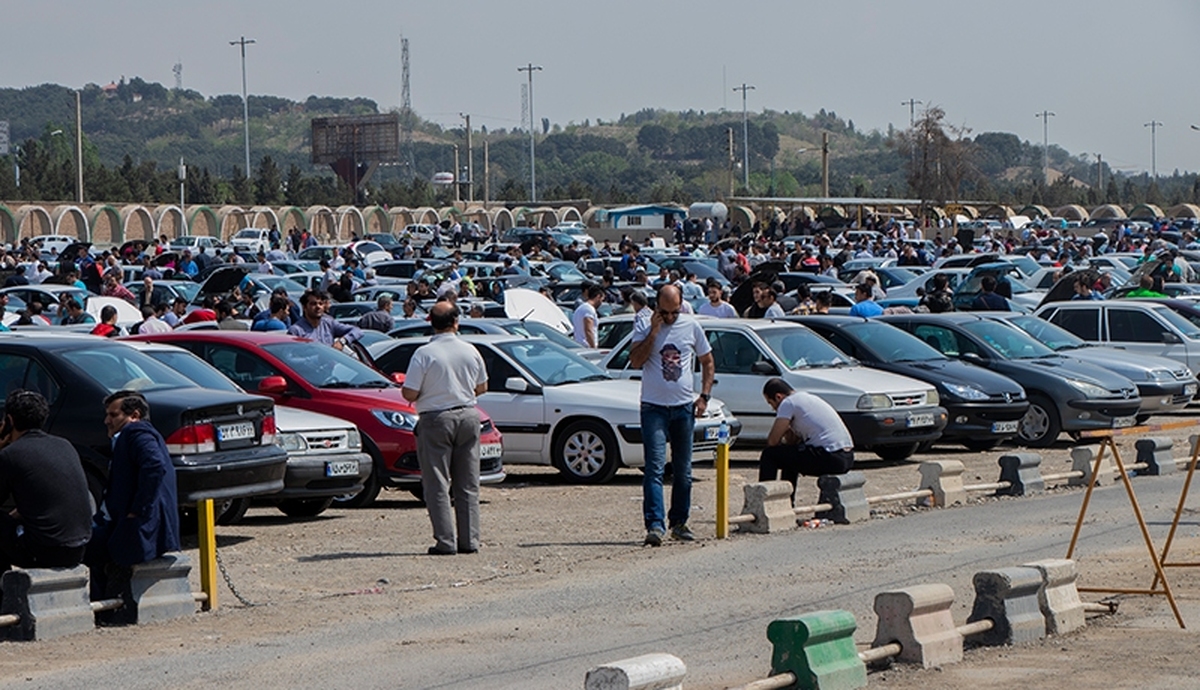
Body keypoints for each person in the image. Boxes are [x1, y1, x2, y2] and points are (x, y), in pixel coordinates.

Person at [628, 285, 715, 546]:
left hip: (683, 408)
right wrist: (654, 332)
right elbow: (635, 361)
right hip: (654, 407)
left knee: (683, 470)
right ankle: (655, 524)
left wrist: (704, 395)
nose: (669, 318)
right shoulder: (644, 326)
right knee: (654, 468)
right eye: (664, 313)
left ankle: (679, 521)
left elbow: (708, 361)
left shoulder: (691, 326)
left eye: (674, 313)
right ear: (656, 307)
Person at [401, 303, 488, 556]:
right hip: (469, 414)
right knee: (468, 482)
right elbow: (482, 387)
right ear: (456, 322)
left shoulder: (424, 353)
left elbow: (410, 392)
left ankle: (445, 541)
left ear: (431, 323)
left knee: (437, 482)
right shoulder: (470, 350)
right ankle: (470, 540)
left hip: (436, 417)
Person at [85, 391, 181, 614]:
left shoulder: (137, 433)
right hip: (126, 523)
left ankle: (106, 610)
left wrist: (138, 510)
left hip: (140, 528)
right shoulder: (132, 435)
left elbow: (154, 466)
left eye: (113, 414)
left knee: (89, 547)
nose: (106, 420)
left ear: (134, 415)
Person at [0, 390, 92, 574]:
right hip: (79, 547)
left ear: (9, 421)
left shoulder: (11, 454)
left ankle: (5, 596)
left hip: (44, 551)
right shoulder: (64, 444)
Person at [758, 378, 854, 502]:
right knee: (789, 456)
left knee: (769, 455)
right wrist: (789, 428)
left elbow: (772, 441)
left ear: (778, 397)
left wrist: (782, 426)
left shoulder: (788, 403)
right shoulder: (807, 398)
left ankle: (765, 502)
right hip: (846, 456)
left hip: (830, 456)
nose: (773, 409)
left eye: (771, 404)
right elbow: (793, 442)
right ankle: (787, 502)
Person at [287, 289, 362, 350]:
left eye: (320, 303)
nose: (318, 307)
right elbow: (290, 358)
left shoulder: (328, 323)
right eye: (313, 304)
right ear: (304, 307)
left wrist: (342, 341)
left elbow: (357, 331)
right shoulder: (296, 331)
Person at [571, 283, 604, 348]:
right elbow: (588, 330)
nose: (601, 302)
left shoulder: (581, 308)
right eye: (602, 299)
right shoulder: (588, 309)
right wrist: (593, 348)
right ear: (598, 296)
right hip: (586, 347)